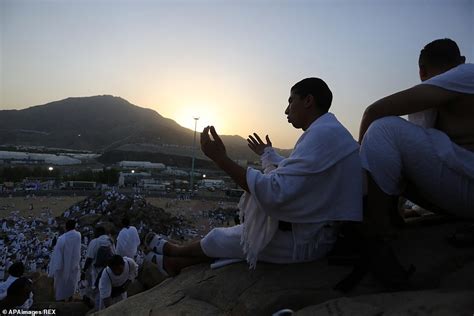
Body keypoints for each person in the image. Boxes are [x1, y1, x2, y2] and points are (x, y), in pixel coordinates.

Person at [143, 77, 363, 276]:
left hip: (310, 241)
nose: (286, 110)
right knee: (230, 239)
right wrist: (267, 154)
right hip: (314, 232)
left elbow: (275, 192)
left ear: (308, 101)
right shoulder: (329, 132)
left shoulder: (323, 134)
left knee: (220, 238)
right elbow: (296, 171)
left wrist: (222, 160)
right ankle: (177, 264)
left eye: (290, 101)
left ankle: (175, 250)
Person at [359, 38, 474, 237]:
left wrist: (358, 173)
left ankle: (375, 236)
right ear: (461, 60)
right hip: (461, 194)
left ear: (421, 71)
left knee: (383, 130)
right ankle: (390, 216)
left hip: (467, 191)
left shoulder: (468, 74)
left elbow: (373, 112)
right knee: (395, 156)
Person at [82, 226, 115, 308]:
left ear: (98, 232)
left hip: (97, 271)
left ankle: (99, 309)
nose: (94, 234)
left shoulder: (95, 242)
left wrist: (83, 271)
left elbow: (89, 258)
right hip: (109, 270)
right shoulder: (110, 240)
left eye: (95, 232)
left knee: (98, 291)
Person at [49, 219, 82, 302]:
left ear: (65, 227)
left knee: (61, 288)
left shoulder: (61, 239)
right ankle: (70, 299)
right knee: (71, 285)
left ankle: (61, 302)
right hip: (74, 266)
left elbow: (57, 256)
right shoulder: (78, 235)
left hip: (63, 268)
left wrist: (54, 271)